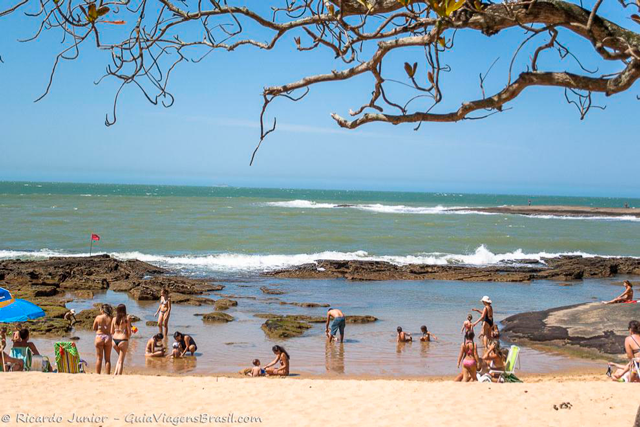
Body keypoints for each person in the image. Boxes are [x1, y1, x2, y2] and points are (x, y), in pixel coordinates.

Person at [111, 304, 132, 375]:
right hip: (123, 340)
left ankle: (115, 373)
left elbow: (111, 331)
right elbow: (129, 332)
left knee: (119, 358)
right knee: (121, 361)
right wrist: (127, 337)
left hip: (114, 340)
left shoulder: (114, 319)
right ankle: (119, 376)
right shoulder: (127, 318)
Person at [92, 304, 113, 374]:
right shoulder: (111, 318)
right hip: (108, 337)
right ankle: (107, 374)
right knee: (107, 359)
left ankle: (98, 374)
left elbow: (94, 328)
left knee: (99, 358)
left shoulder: (98, 317)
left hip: (99, 337)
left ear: (102, 310)